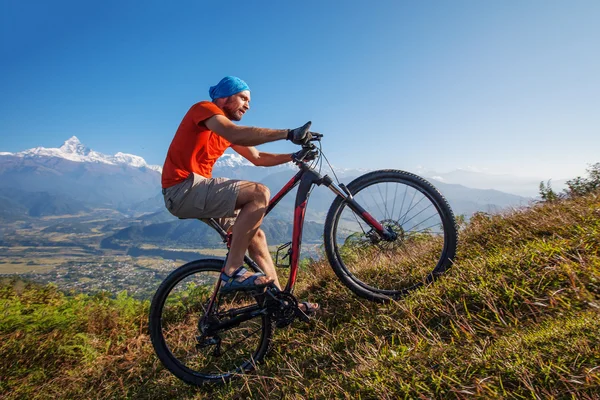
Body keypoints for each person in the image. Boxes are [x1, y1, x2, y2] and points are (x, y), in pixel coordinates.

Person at [161, 76, 319, 315]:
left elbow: (257, 158)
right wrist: (289, 133)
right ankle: (232, 271)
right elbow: (235, 134)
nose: (248, 105)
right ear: (224, 97)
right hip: (183, 188)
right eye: (243, 98)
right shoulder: (204, 109)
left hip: (195, 189)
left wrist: (293, 156)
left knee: (255, 235)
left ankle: (279, 305)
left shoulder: (224, 129)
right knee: (259, 193)